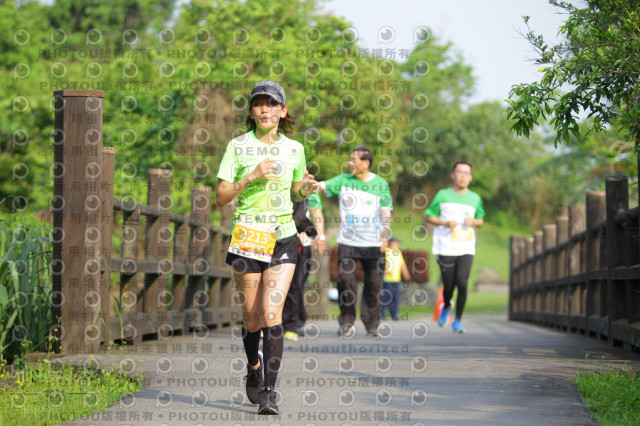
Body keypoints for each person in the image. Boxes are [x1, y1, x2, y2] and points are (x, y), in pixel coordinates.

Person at [216, 80, 317, 415]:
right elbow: (222, 196)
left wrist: (306, 188)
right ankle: (253, 367)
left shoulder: (295, 149)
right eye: (259, 103)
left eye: (272, 104)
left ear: (283, 111)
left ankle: (269, 392)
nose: (265, 109)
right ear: (251, 110)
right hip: (247, 236)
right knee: (253, 315)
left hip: (283, 236)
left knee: (273, 314)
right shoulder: (238, 146)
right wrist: (252, 176)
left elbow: (297, 192)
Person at [318, 147, 392, 337]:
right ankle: (347, 322)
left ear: (366, 163)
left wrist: (385, 235)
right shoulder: (343, 180)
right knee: (347, 281)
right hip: (348, 242)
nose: (350, 163)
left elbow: (386, 212)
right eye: (350, 159)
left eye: (354, 160)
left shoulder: (380, 183)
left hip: (373, 243)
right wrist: (309, 182)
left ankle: (372, 325)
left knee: (374, 285)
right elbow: (321, 186)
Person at [425, 161, 485, 333]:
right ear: (453, 175)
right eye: (459, 172)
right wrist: (444, 222)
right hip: (446, 247)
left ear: (470, 177)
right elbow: (430, 216)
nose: (462, 176)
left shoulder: (475, 198)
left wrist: (473, 221)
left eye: (466, 173)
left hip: (466, 247)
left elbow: (480, 220)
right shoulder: (442, 195)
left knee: (463, 282)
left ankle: (458, 320)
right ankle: (446, 306)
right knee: (449, 286)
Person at [282, 193, 325, 341]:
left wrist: (319, 236)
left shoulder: (309, 190)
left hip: (300, 242)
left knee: (295, 284)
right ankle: (273, 322)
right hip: (277, 239)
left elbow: (316, 212)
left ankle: (293, 324)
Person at [380, 237, 410, 321]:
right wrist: (384, 271)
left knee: (395, 298)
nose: (397, 245)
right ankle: (382, 314)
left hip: (396, 279)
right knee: (385, 297)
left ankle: (394, 314)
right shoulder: (386, 251)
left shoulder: (398, 252)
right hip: (387, 279)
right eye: (396, 243)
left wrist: (406, 273)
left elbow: (402, 264)